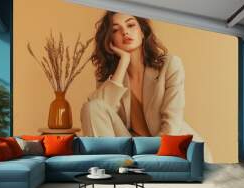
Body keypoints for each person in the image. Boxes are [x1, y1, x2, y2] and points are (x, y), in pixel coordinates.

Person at [80, 11, 202, 141]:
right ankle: (110, 162)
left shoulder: (170, 64)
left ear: (142, 32)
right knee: (91, 107)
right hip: (135, 147)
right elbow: (96, 112)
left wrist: (155, 158)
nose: (125, 32)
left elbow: (172, 121)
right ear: (111, 40)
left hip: (173, 145)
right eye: (115, 30)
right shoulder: (111, 76)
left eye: (130, 25)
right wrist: (123, 62)